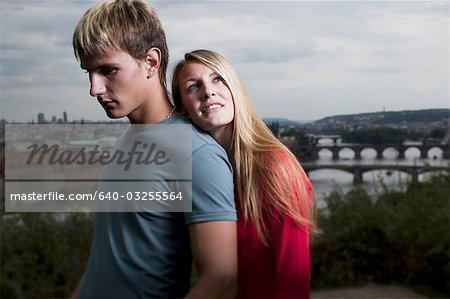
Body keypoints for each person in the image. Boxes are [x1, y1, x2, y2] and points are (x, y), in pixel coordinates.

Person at [70, 1, 237, 298]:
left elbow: (222, 279)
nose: (94, 89)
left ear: (150, 62)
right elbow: (108, 255)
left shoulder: (197, 154)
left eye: (108, 70)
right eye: (89, 72)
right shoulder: (127, 140)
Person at [172, 49, 318, 298]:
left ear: (234, 89)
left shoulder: (273, 166)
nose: (208, 91)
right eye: (193, 86)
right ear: (184, 109)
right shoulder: (208, 175)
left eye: (217, 79)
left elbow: (293, 280)